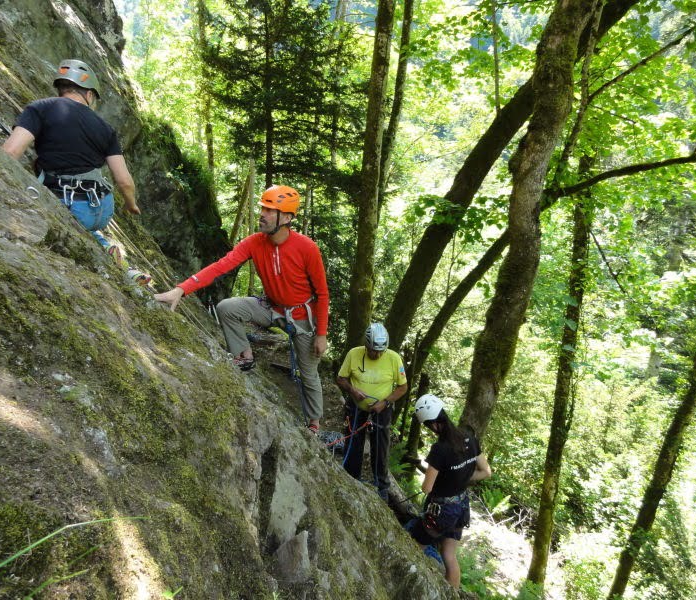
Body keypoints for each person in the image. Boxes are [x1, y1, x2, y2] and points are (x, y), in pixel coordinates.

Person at [154, 185, 329, 433]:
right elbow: (220, 266)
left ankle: (314, 423)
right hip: (272, 308)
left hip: (302, 316)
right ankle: (244, 357)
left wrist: (321, 334)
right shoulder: (254, 243)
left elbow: (322, 293)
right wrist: (181, 289)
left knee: (308, 372)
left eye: (271, 210)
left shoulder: (307, 248)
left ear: (287, 218)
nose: (263, 214)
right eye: (263, 208)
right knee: (228, 308)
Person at [1, 59, 149, 284]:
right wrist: (131, 205)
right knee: (84, 230)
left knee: (60, 223)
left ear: (61, 88)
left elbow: (10, 152)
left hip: (69, 203)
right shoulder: (105, 128)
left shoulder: (40, 108)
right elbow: (124, 181)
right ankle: (117, 260)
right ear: (89, 94)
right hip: (102, 207)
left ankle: (107, 253)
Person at [407, 394, 491, 589]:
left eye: (428, 426)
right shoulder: (469, 437)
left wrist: (448, 478)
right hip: (461, 505)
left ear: (434, 424)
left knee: (414, 547)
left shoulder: (439, 449)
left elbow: (426, 488)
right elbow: (486, 471)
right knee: (449, 555)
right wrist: (461, 478)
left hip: (440, 510)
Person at [336, 322, 407, 500]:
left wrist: (385, 402)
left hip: (382, 408)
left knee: (380, 446)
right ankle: (350, 476)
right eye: (372, 350)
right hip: (356, 406)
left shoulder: (393, 358)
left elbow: (402, 387)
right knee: (354, 441)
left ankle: (381, 486)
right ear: (366, 345)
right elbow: (341, 378)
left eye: (380, 351)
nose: (376, 355)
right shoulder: (354, 354)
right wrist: (352, 390)